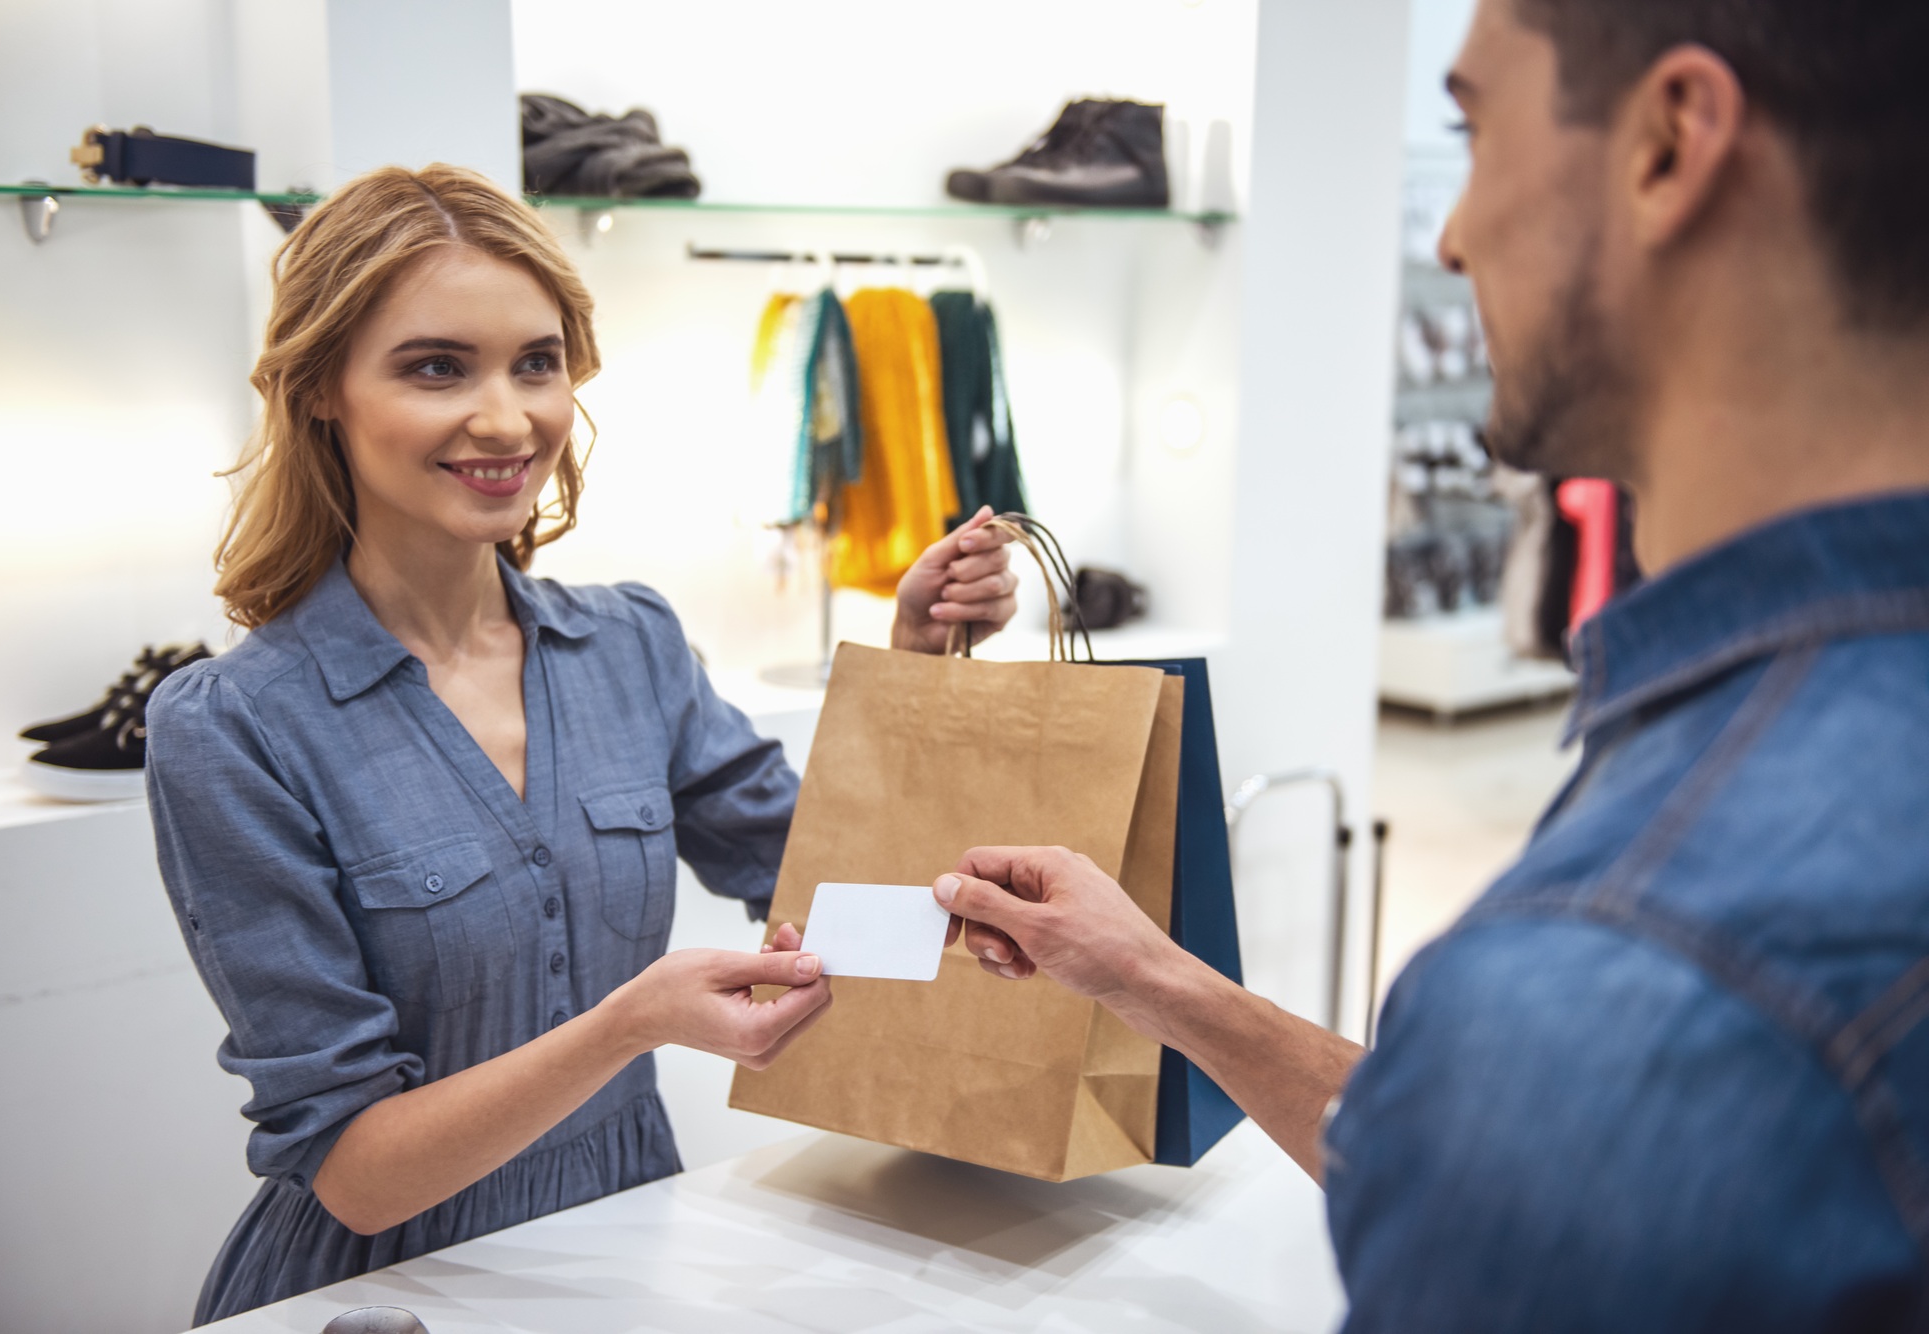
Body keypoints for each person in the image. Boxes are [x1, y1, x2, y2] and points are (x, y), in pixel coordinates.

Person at [933, 0, 1929, 1328]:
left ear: (1670, 146)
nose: (1451, 233)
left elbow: (1566, 1115)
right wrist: (1151, 975)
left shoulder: (1631, 972)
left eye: (1473, 128)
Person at [146, 164, 1020, 1324]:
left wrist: (912, 652)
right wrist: (632, 1019)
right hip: (384, 1291)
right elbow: (356, 1173)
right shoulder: (236, 727)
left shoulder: (630, 644)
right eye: (435, 365)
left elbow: (822, 881)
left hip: (623, 1240)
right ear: (319, 389)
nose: (508, 418)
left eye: (537, 362)